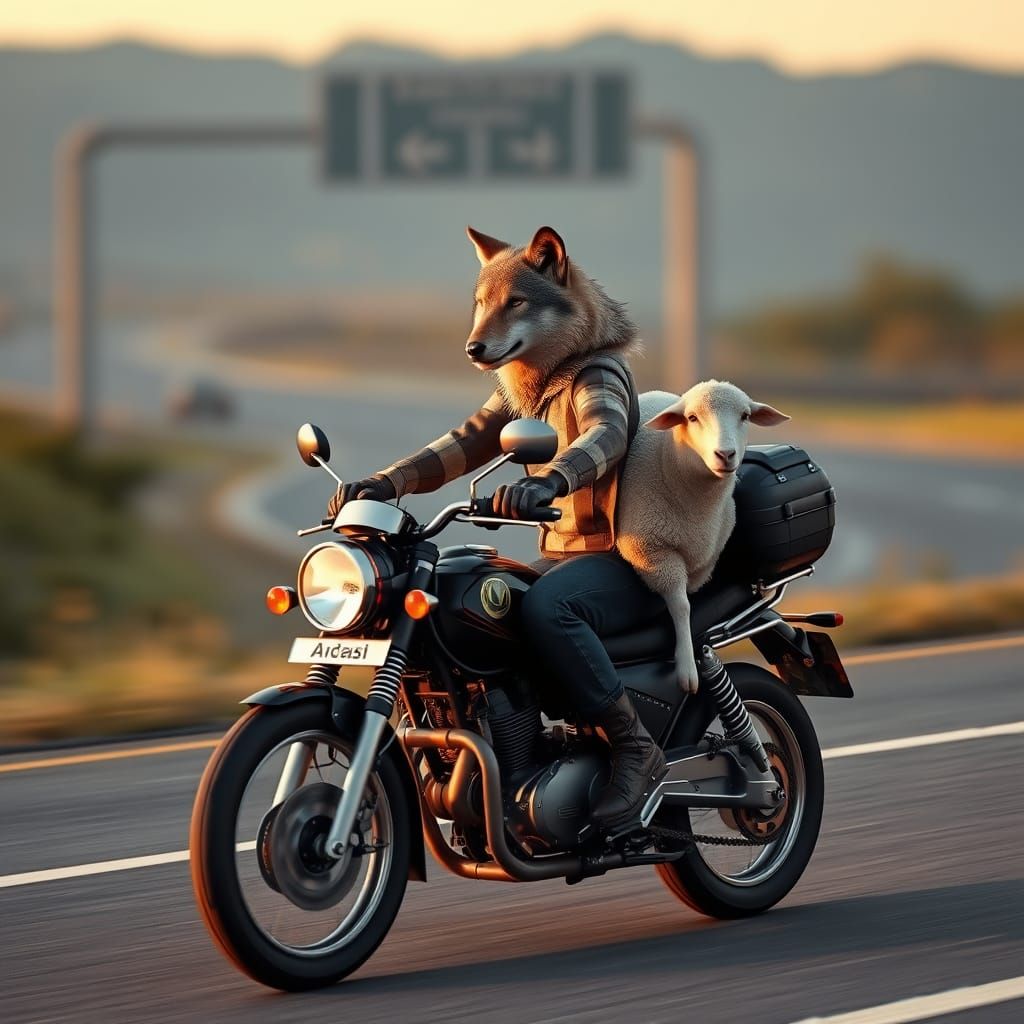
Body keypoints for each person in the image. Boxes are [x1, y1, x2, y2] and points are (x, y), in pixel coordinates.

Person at [328, 226, 669, 829]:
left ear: (556, 278)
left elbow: (606, 435)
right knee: (472, 611)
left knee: (548, 612)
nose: (484, 323)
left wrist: (550, 481)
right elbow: (464, 444)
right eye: (483, 304)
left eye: (511, 305)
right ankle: (516, 753)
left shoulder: (596, 373)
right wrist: (386, 483)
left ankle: (635, 745)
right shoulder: (525, 383)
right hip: (567, 556)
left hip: (623, 555)